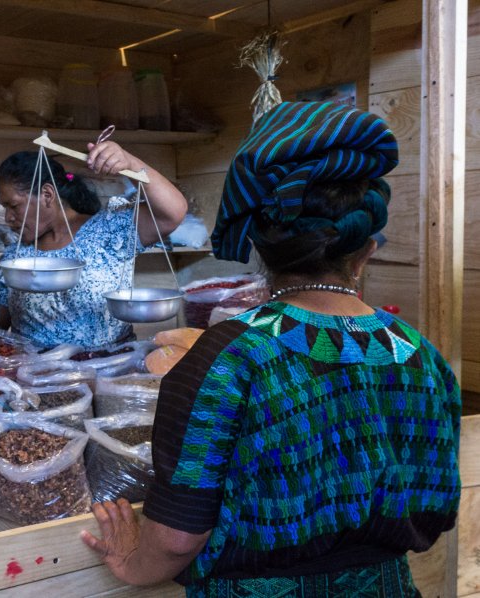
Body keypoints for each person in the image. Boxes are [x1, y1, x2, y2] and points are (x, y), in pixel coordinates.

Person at [81, 101, 462, 596]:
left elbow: (176, 539)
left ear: (262, 249)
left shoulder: (226, 358)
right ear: (366, 252)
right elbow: (436, 503)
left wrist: (136, 565)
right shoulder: (420, 356)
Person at [0, 140, 187, 349]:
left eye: (13, 206)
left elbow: (172, 212)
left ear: (47, 195)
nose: (7, 218)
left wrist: (130, 164)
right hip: (36, 374)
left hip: (110, 368)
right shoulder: (15, 259)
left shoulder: (109, 229)